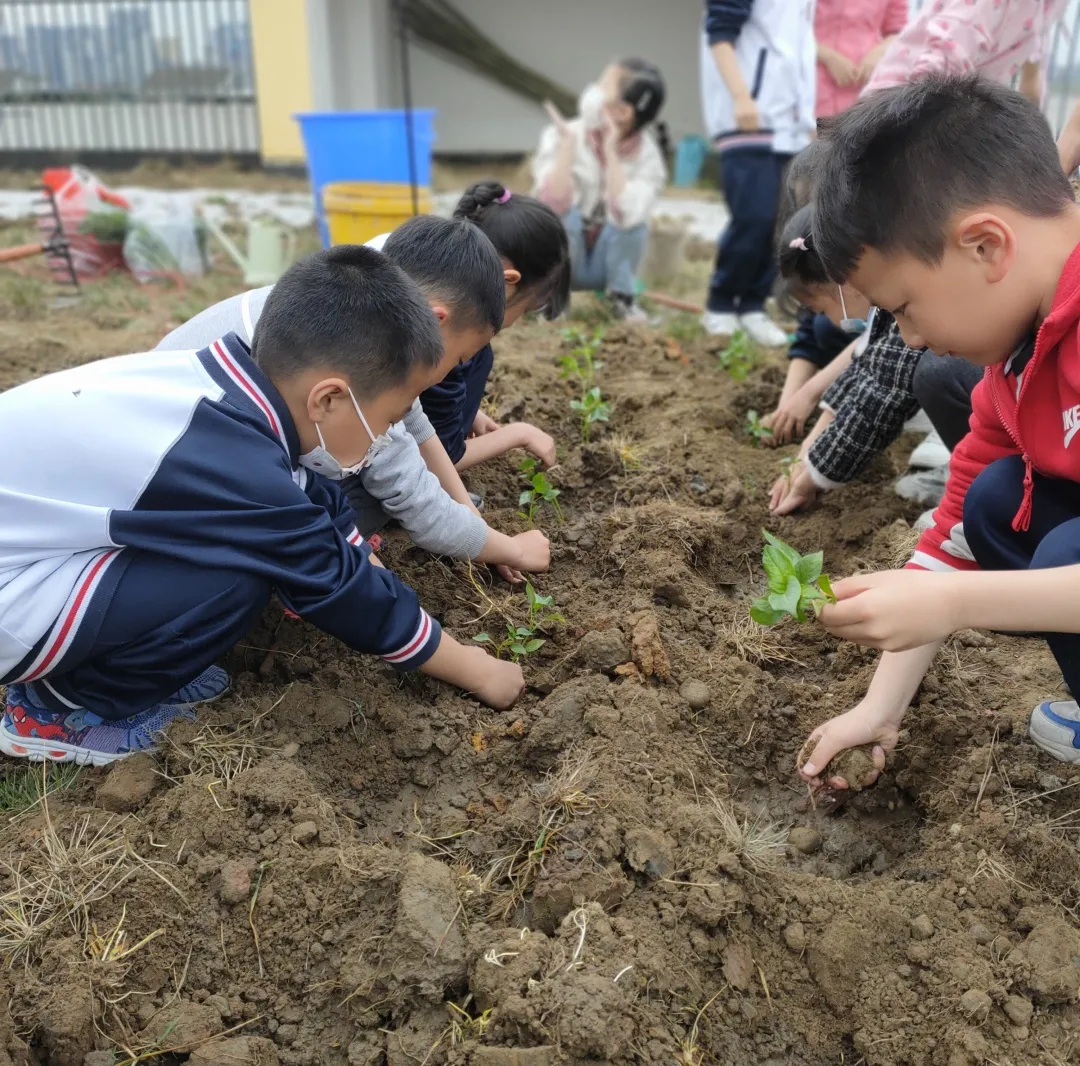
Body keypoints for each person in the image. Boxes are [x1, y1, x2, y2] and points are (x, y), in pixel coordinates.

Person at [0, 246, 527, 766]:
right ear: (328, 399)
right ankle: (59, 709)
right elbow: (337, 586)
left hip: (31, 554)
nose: (387, 436)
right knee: (236, 580)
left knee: (239, 556)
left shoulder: (221, 391)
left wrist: (366, 565)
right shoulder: (226, 456)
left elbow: (315, 505)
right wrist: (476, 669)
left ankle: (128, 669)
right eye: (390, 419)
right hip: (12, 589)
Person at [798, 74, 1080, 790]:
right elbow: (950, 539)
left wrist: (953, 606)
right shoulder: (1016, 360)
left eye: (904, 308)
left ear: (985, 245)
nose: (910, 339)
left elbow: (948, 594)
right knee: (996, 500)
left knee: (1064, 548)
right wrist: (878, 709)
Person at [160, 215, 551, 585]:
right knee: (363, 492)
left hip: (181, 448)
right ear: (436, 321)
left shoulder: (349, 306)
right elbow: (421, 506)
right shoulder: (364, 366)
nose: (452, 372)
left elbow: (415, 424)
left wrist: (474, 524)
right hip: (181, 503)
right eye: (460, 359)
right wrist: (515, 550)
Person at [766, 204, 982, 517]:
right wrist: (808, 452)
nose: (825, 319)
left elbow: (885, 387)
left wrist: (814, 474)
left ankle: (976, 487)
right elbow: (867, 363)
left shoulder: (910, 282)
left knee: (934, 373)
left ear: (843, 283)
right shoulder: (892, 275)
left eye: (820, 310)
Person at [415, 183, 570, 471]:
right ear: (508, 283)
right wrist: (518, 434)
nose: (515, 322)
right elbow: (437, 462)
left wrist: (465, 412)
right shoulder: (446, 341)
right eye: (525, 309)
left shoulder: (419, 259)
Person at [699, 0, 816, 348]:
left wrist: (806, 115)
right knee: (753, 217)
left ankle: (753, 305)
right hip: (750, 117)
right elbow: (720, 31)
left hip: (790, 123)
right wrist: (740, 96)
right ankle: (721, 303)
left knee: (781, 223)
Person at [533, 59, 668, 322]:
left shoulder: (648, 157)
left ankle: (622, 299)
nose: (592, 91)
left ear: (622, 112)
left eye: (602, 86)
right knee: (564, 217)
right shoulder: (562, 134)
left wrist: (611, 152)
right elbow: (550, 207)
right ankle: (554, 299)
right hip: (565, 257)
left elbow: (628, 215)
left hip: (607, 263)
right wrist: (567, 148)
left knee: (635, 223)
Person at [862, 0, 1067, 105]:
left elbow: (1032, 86)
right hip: (896, 103)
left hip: (944, 98)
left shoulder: (1043, 9)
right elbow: (939, 64)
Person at [815, 0, 907, 118]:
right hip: (813, 78)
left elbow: (899, 32)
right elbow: (794, 29)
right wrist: (829, 58)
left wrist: (876, 55)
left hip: (865, 82)